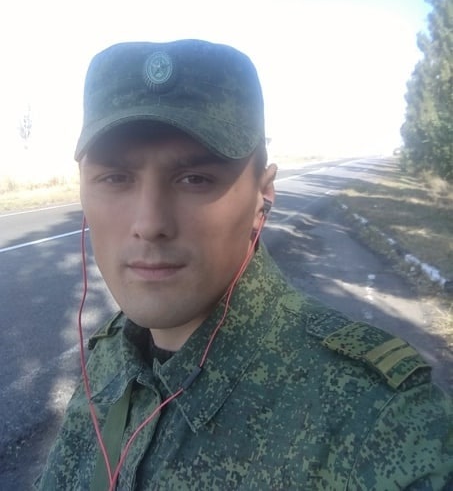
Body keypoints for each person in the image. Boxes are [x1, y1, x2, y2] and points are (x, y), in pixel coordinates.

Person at [38, 39, 453, 491]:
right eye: (115, 178)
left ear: (263, 197)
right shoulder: (108, 356)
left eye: (195, 179)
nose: (150, 224)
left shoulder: (379, 417)